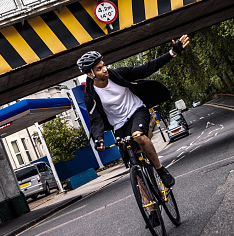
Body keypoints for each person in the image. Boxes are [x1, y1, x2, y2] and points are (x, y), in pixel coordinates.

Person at [76, 35, 189, 189]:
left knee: (139, 137)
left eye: (104, 65)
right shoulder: (90, 96)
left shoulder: (118, 74)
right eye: (99, 69)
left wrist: (172, 53)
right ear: (90, 74)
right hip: (119, 125)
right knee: (135, 169)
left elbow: (146, 68)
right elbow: (95, 120)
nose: (105, 70)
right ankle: (150, 209)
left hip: (136, 110)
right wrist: (99, 139)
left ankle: (160, 170)